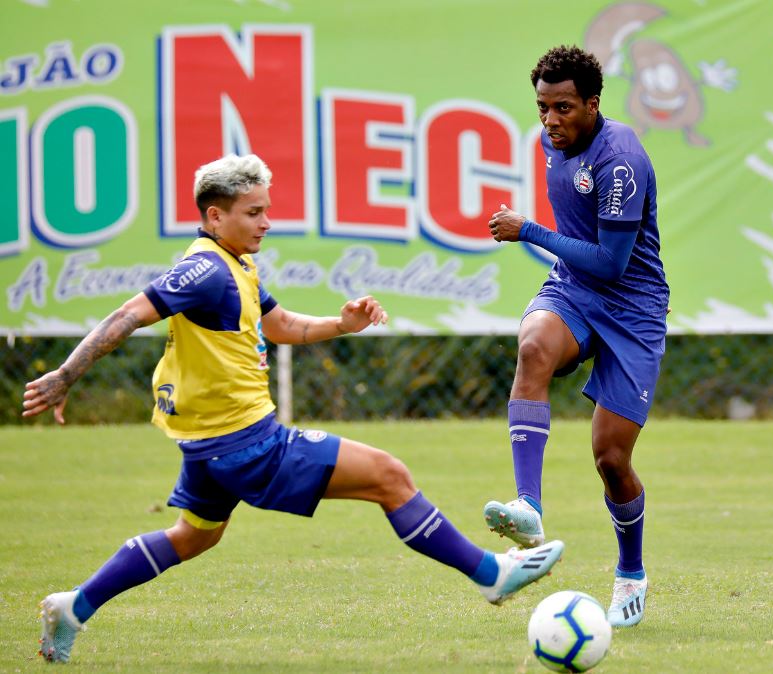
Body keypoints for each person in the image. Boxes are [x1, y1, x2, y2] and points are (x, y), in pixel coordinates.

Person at [23, 154, 563, 664]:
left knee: (194, 537)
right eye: (253, 212)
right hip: (244, 444)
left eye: (266, 210)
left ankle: (74, 607)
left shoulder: (237, 266)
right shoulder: (205, 271)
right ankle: (490, 573)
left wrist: (341, 324)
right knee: (388, 476)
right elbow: (128, 314)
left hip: (216, 445)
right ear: (215, 216)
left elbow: (279, 326)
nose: (266, 223)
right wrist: (65, 374)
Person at [484, 45, 669, 628]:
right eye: (542, 108)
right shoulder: (551, 141)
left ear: (593, 103)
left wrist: (528, 230)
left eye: (563, 108)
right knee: (535, 346)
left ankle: (631, 573)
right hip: (575, 289)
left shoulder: (621, 161)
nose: (550, 121)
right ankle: (529, 508)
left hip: (633, 307)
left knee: (611, 459)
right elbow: (581, 256)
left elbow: (612, 264)